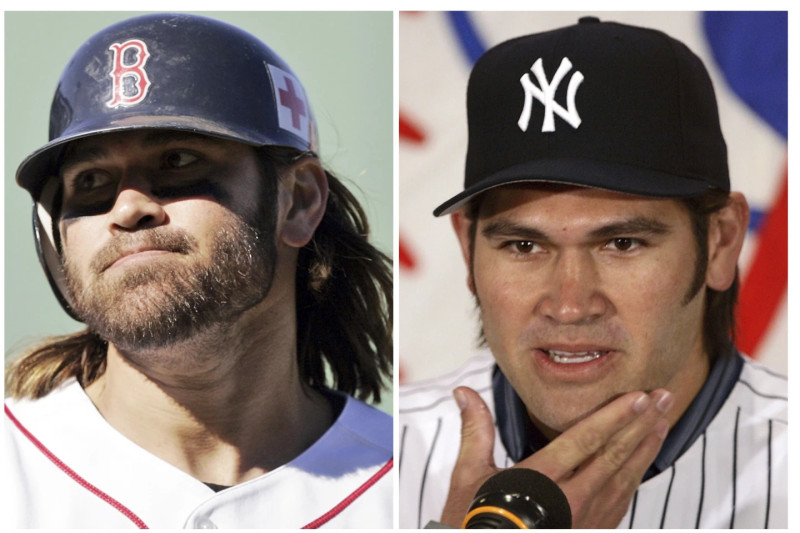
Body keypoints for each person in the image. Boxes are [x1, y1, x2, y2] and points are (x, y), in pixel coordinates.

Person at [5, 13, 393, 529]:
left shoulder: (405, 485)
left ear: (297, 201)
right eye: (92, 179)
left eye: (178, 160)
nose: (128, 209)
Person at [399, 16, 787, 529]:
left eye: (622, 243)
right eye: (523, 245)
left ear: (720, 242)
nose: (569, 304)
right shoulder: (380, 458)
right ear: (467, 250)